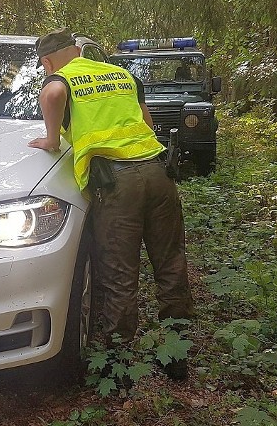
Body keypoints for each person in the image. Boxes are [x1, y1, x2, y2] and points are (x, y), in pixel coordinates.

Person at [27, 27, 195, 380]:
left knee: (119, 272)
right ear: (77, 50)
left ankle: (119, 362)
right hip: (157, 173)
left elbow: (54, 93)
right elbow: (146, 124)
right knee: (170, 263)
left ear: (46, 61)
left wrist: (52, 138)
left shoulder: (61, 78)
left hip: (118, 183)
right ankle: (178, 353)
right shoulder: (121, 74)